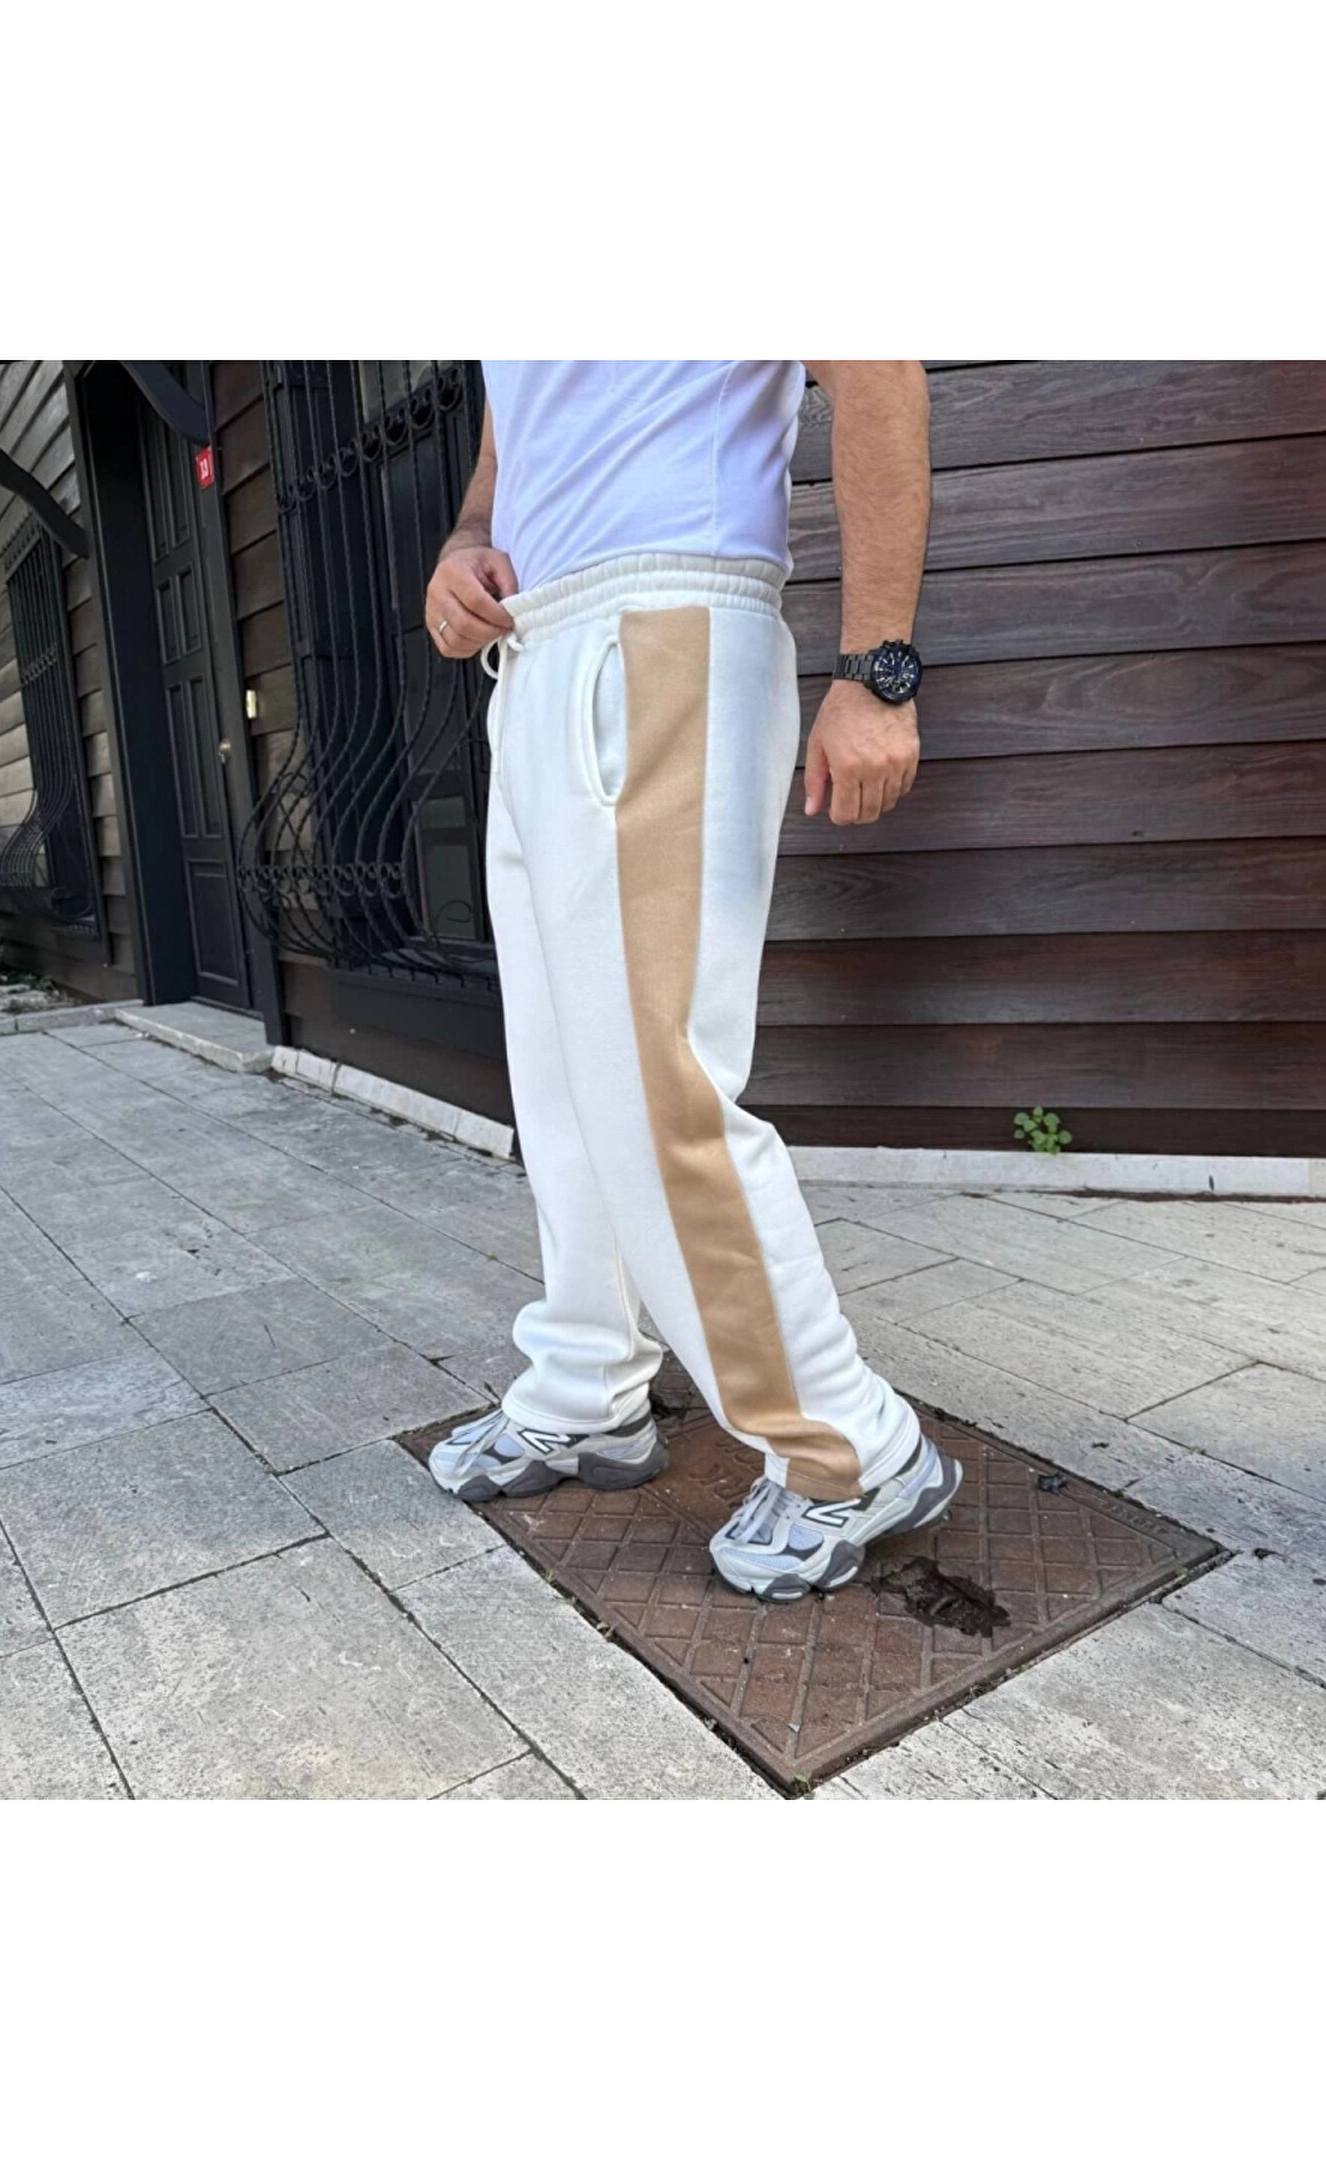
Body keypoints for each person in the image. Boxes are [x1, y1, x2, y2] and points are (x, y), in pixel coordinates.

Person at [424, 362, 960, 1602]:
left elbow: (877, 376)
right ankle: (586, 1386)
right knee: (563, 1078)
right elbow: (507, 449)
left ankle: (851, 1448)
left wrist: (878, 669)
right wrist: (463, 545)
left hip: (664, 618)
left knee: (655, 1082)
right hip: (536, 649)